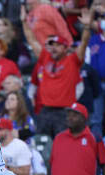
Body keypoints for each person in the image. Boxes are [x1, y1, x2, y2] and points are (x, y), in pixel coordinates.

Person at [22, 7, 92, 138]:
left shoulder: (73, 60)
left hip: (64, 112)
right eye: (52, 45)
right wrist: (24, 22)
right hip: (45, 110)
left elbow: (83, 43)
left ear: (66, 48)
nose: (53, 48)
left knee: (62, 142)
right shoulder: (45, 57)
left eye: (58, 45)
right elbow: (32, 40)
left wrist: (87, 27)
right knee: (41, 143)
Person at [49, 103, 105, 175]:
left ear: (84, 118)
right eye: (68, 115)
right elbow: (50, 165)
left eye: (74, 115)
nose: (70, 118)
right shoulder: (58, 138)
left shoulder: (94, 138)